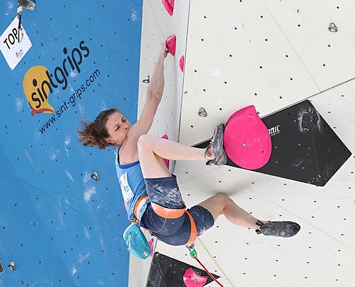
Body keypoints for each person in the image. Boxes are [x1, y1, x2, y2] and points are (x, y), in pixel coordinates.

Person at [77, 37, 300, 246]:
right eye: (118, 128)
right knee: (145, 141)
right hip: (162, 215)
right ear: (109, 139)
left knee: (222, 201)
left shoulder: (120, 166)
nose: (126, 126)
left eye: (124, 120)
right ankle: (210, 154)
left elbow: (132, 206)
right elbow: (153, 98)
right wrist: (160, 57)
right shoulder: (131, 142)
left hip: (174, 234)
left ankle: (261, 226)